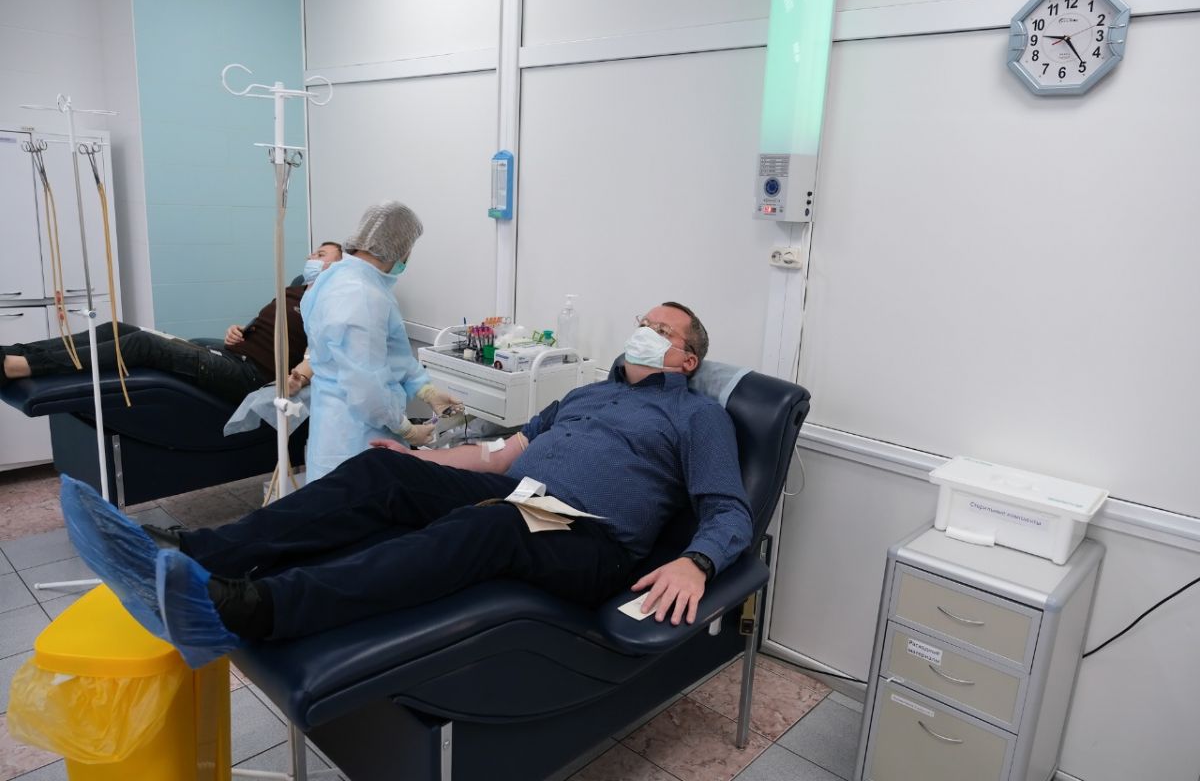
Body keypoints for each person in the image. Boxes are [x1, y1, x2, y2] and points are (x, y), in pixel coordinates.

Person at [61, 302, 752, 668]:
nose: (642, 332)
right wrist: (420, 460)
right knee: (383, 469)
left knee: (491, 524)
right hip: (523, 495)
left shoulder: (697, 417)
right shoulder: (584, 395)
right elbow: (498, 454)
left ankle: (257, 608)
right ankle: (198, 552)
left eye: (660, 329)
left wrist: (696, 562)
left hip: (586, 536)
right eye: (641, 322)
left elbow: (729, 511)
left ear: (687, 358)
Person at [0, 243, 343, 405]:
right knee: (119, 329)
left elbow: (321, 349)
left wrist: (299, 378)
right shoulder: (294, 290)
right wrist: (238, 331)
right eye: (313, 252)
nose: (311, 257)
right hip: (230, 354)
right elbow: (265, 329)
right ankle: (13, 353)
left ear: (339, 268)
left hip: (250, 376)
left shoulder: (330, 300)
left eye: (321, 255)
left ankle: (21, 367)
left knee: (144, 346)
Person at [299, 201, 461, 482]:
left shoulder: (339, 278)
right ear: (400, 248)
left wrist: (426, 390)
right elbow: (366, 386)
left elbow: (392, 356)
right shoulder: (361, 295)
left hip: (338, 425)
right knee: (356, 503)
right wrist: (406, 429)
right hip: (356, 436)